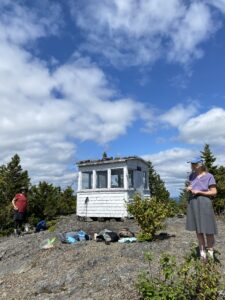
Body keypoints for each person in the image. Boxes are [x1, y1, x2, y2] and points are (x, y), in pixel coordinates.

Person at [186, 157, 217, 260]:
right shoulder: (191, 176)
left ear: (200, 165)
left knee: (208, 229)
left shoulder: (209, 176)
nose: (192, 166)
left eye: (194, 164)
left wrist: (199, 192)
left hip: (204, 202)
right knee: (198, 230)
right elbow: (191, 187)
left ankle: (210, 252)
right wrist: (189, 189)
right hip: (193, 203)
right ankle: (202, 252)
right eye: (191, 164)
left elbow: (214, 192)